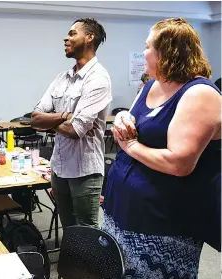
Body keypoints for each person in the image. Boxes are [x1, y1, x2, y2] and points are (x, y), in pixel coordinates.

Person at [103, 18, 221, 278]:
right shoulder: (152, 84)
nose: (143, 52)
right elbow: (136, 118)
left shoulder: (200, 94)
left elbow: (179, 163)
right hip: (122, 211)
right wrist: (123, 118)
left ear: (167, 51)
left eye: (147, 46)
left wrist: (130, 145)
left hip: (164, 224)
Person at [30, 18, 112, 228]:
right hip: (59, 167)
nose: (66, 38)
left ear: (89, 38)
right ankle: (73, 263)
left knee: (86, 232)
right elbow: (35, 118)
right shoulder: (62, 78)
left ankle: (88, 263)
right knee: (68, 228)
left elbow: (76, 129)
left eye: (72, 33)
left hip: (84, 170)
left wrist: (54, 119)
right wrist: (64, 116)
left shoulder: (98, 78)